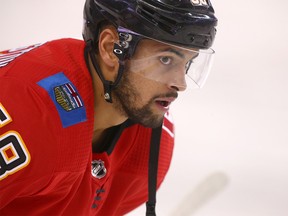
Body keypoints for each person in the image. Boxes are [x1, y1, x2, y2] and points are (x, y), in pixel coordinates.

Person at [0, 0, 217, 215]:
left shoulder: (150, 149)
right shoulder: (29, 113)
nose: (181, 84)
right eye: (166, 59)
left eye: (187, 63)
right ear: (111, 48)